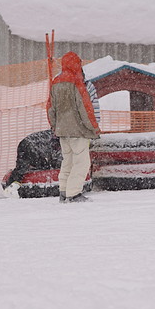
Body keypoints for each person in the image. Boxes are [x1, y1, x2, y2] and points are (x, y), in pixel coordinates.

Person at [47, 52, 101, 203]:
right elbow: (86, 108)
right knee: (81, 163)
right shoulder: (78, 82)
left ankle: (63, 191)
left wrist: (55, 127)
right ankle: (74, 193)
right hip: (79, 130)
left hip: (63, 131)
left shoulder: (56, 82)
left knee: (67, 161)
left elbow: (50, 108)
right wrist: (94, 128)